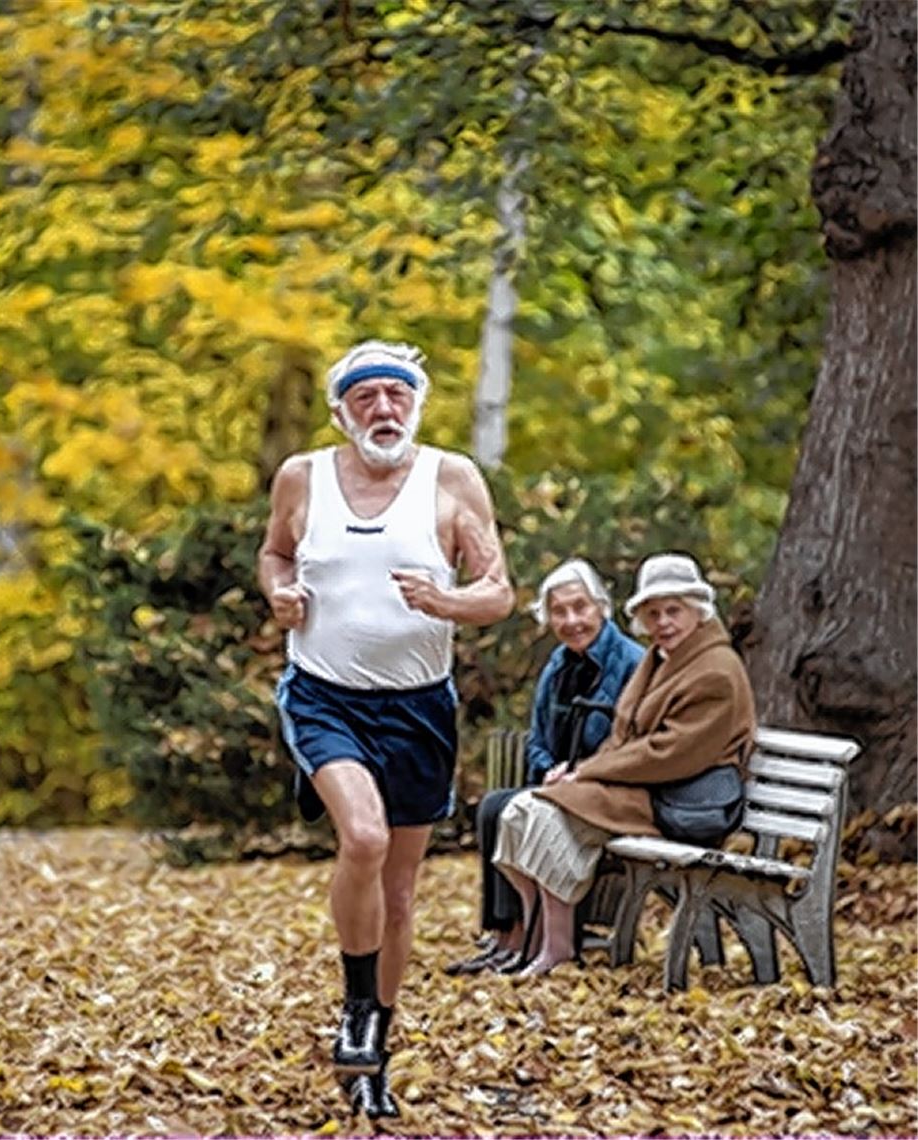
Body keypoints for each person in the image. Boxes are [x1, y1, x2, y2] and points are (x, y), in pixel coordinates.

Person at [258, 340, 514, 1118]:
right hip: (325, 696)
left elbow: (498, 591)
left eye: (396, 396)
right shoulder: (303, 477)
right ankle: (354, 1011)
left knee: (400, 894)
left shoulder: (453, 478)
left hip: (419, 708)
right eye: (365, 397)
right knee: (363, 839)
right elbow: (274, 553)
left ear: (416, 405)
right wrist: (280, 593)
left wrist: (448, 604)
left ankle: (375, 1049)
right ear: (341, 411)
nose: (383, 409)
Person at [492, 552, 756, 977]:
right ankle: (540, 939)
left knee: (544, 814)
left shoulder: (716, 671)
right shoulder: (661, 658)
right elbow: (623, 732)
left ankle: (557, 948)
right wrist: (579, 771)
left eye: (674, 611)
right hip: (643, 787)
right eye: (653, 613)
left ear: (698, 610)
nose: (663, 622)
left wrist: (588, 772)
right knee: (518, 813)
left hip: (679, 800)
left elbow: (670, 752)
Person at [444, 559, 643, 976]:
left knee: (508, 808)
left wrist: (581, 770)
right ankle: (508, 935)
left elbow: (630, 742)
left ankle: (529, 938)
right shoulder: (557, 666)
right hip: (561, 781)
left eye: (580, 607)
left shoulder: (631, 663)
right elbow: (536, 738)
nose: (571, 620)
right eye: (559, 611)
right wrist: (550, 766)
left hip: (604, 788)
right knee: (493, 806)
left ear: (601, 607)